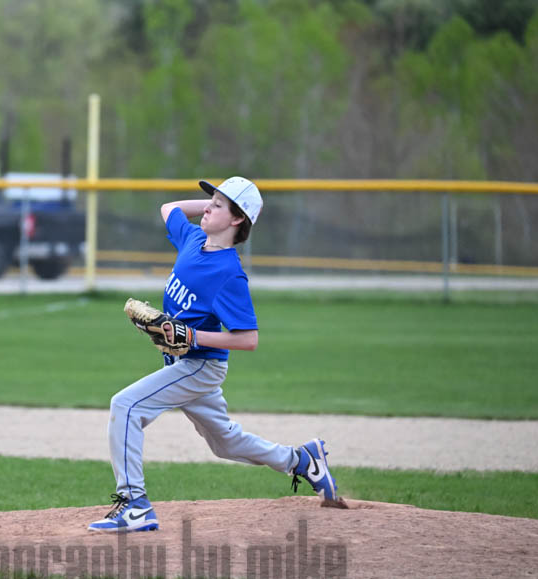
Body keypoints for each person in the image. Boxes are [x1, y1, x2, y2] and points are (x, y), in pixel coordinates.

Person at [88, 177, 345, 533]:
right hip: (181, 363)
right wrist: (215, 204)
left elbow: (248, 339)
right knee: (225, 443)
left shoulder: (229, 275)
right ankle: (301, 460)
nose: (207, 207)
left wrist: (193, 335)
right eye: (210, 201)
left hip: (201, 366)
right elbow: (170, 209)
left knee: (126, 406)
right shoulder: (193, 240)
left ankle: (135, 505)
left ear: (237, 219)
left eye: (219, 205)